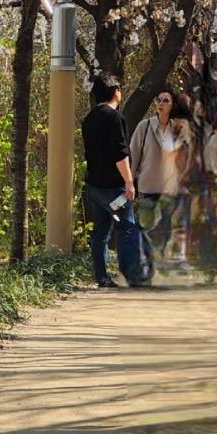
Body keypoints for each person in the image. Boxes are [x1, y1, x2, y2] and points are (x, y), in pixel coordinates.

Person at [82, 75, 144, 287]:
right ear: (116, 90)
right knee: (126, 228)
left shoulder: (89, 119)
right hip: (113, 189)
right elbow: (120, 153)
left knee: (101, 232)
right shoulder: (115, 117)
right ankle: (133, 276)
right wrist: (129, 181)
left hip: (94, 187)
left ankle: (102, 277)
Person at [130, 90, 184, 271]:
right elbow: (134, 156)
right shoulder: (144, 127)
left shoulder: (178, 130)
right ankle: (149, 264)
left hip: (170, 188)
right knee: (146, 227)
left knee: (165, 226)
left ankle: (158, 256)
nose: (161, 103)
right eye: (158, 100)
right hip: (147, 186)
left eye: (166, 101)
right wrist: (129, 182)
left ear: (172, 105)